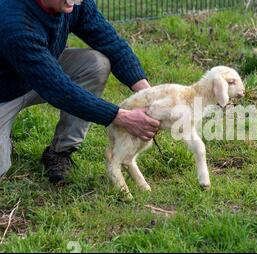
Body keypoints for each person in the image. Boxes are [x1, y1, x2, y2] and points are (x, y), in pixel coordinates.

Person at [0, 0, 160, 183]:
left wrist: (151, 96)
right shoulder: (14, 20)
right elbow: (57, 88)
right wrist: (122, 117)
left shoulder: (74, 3)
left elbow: (110, 42)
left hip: (38, 74)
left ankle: (61, 151)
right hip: (6, 91)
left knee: (95, 64)